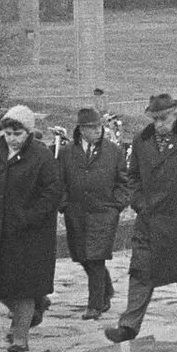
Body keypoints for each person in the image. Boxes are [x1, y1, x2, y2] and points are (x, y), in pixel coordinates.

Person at [104, 93, 177, 343]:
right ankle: (128, 326)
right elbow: (132, 177)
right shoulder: (142, 141)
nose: (158, 124)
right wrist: (140, 203)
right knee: (140, 272)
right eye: (154, 119)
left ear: (175, 114)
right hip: (150, 220)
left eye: (163, 119)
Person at [0, 104, 62, 352]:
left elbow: (52, 193)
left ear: (28, 132)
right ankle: (37, 305)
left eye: (17, 134)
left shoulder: (41, 156)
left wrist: (29, 217)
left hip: (30, 235)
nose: (12, 139)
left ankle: (20, 337)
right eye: (8, 133)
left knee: (23, 286)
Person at [59, 106, 129, 319]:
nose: (98, 130)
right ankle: (106, 289)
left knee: (96, 257)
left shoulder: (113, 151)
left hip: (104, 213)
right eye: (92, 127)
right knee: (82, 256)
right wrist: (64, 205)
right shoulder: (67, 152)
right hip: (76, 213)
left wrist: (117, 205)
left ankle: (95, 305)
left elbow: (123, 182)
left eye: (99, 126)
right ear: (81, 130)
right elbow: (59, 181)